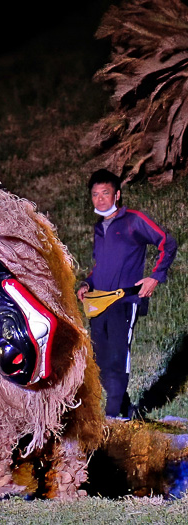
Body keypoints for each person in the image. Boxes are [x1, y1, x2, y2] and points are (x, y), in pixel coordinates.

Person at [77, 170, 177, 419]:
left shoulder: (133, 220)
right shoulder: (99, 228)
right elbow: (100, 265)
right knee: (99, 361)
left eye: (106, 193)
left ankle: (112, 417)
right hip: (99, 302)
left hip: (125, 300)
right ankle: (125, 409)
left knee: (119, 357)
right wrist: (87, 283)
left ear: (117, 194)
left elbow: (167, 242)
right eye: (95, 194)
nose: (100, 199)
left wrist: (155, 276)